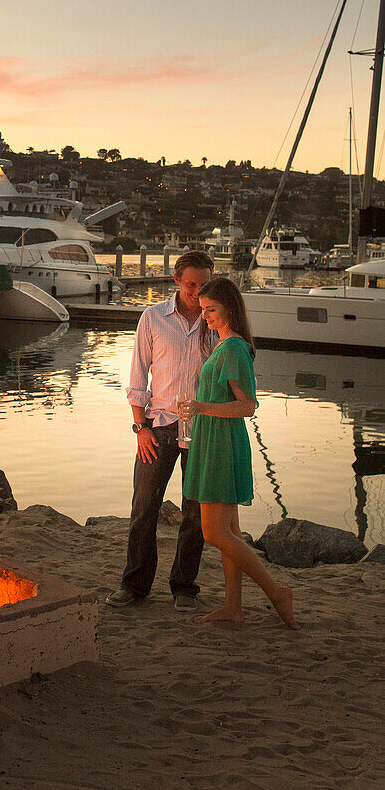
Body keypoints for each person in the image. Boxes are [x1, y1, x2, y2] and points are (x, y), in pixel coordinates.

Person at [180, 276, 297, 628]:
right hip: (212, 439)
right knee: (228, 530)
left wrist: (200, 407)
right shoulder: (224, 345)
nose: (207, 317)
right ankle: (233, 607)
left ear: (230, 306)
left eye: (212, 309)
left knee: (214, 533)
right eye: (203, 311)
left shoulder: (233, 349)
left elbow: (248, 407)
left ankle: (277, 592)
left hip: (222, 443)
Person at [106, 249, 216, 612]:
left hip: (202, 431)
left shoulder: (216, 324)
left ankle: (184, 587)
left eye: (203, 286)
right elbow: (137, 379)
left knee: (195, 513)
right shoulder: (153, 318)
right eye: (190, 285)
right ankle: (134, 585)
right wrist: (140, 428)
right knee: (143, 506)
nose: (197, 293)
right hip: (158, 427)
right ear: (176, 281)